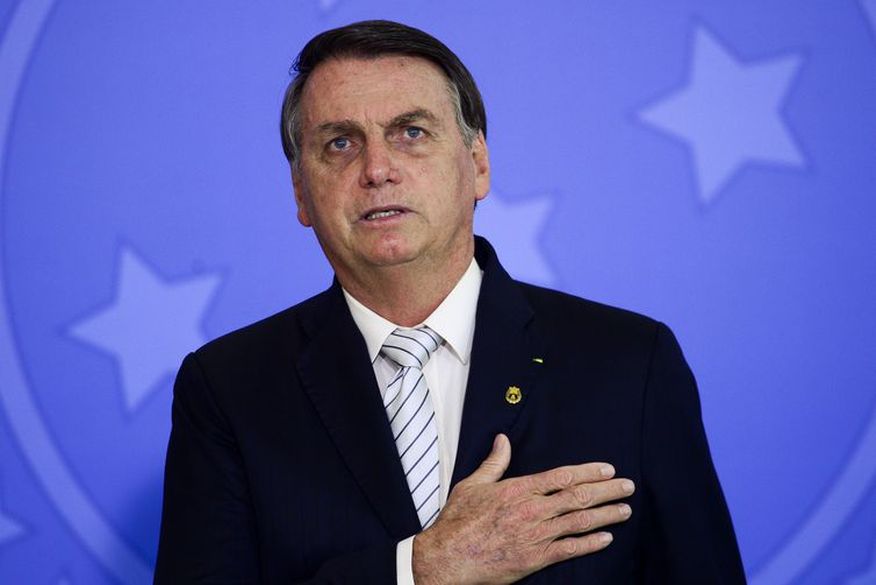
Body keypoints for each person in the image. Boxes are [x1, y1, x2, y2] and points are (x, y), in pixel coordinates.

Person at [154, 20, 746, 584]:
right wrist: (420, 570)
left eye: (411, 133)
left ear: (478, 163)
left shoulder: (629, 363)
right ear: (301, 193)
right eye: (339, 143)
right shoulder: (229, 388)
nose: (377, 170)